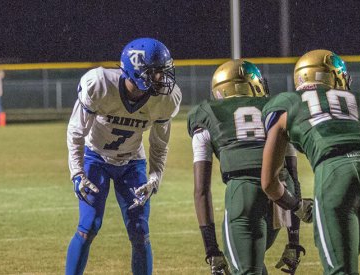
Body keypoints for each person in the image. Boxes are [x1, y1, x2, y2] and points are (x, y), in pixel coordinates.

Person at [261, 49, 360, 275]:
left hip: (336, 174)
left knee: (339, 268)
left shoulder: (285, 104)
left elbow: (269, 183)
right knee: (343, 263)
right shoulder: (359, 100)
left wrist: (297, 207)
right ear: (334, 76)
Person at [65, 37, 182, 275]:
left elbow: (159, 144)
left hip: (132, 162)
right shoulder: (99, 84)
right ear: (136, 71)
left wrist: (154, 177)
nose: (162, 79)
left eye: (164, 72)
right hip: (95, 157)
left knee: (140, 232)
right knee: (88, 226)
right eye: (156, 72)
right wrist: (77, 172)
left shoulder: (164, 99)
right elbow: (76, 132)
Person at [187, 59, 312, 274]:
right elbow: (292, 175)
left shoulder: (206, 113)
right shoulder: (278, 109)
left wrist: (211, 249)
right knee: (253, 264)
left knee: (246, 269)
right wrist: (293, 240)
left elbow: (201, 191)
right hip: (281, 196)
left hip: (244, 193)